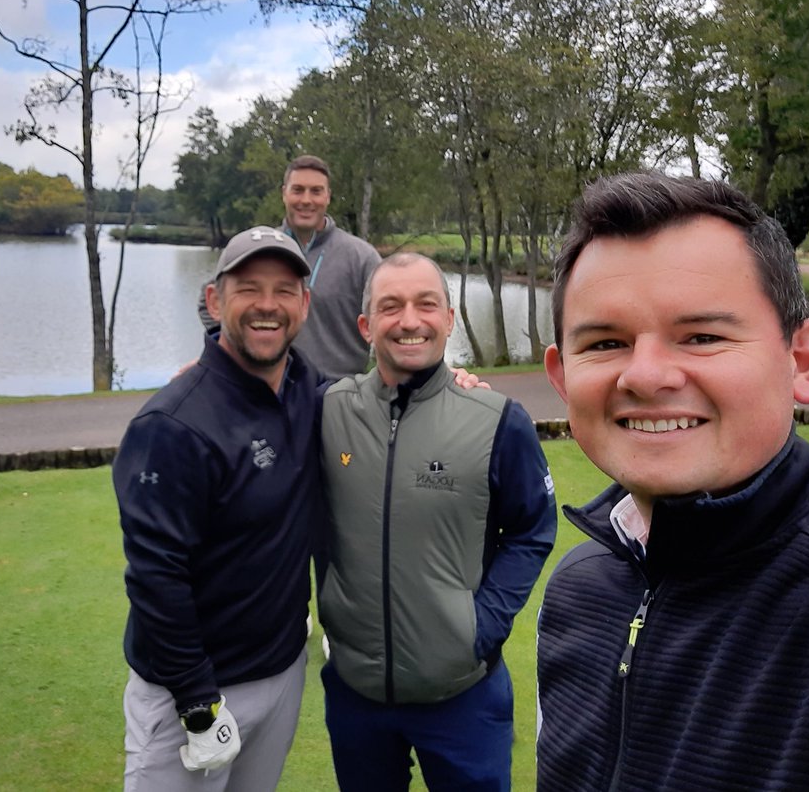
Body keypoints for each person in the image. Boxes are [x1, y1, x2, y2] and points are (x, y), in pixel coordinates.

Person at [537, 173, 809, 790]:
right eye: (606, 342)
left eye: (702, 336)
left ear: (802, 361)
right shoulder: (575, 592)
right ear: (564, 377)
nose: (646, 375)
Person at [318, 252, 558, 791]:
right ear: (365, 326)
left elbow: (532, 530)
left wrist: (482, 628)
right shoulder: (328, 412)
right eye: (390, 306)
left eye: (426, 304)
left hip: (463, 696)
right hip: (356, 695)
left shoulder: (497, 420)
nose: (409, 320)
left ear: (449, 319)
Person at [114, 226, 322, 791]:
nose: (267, 306)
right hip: (190, 697)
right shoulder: (173, 425)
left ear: (304, 304)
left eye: (284, 290)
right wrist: (199, 704)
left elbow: (382, 402)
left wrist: (447, 381)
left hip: (280, 673)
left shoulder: (310, 390)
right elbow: (157, 577)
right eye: (248, 288)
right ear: (214, 300)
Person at [200, 154, 381, 379]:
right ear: (284, 193)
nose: (306, 200)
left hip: (335, 394)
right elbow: (207, 302)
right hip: (266, 390)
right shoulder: (255, 249)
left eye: (316, 191)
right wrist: (229, 353)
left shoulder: (361, 256)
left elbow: (386, 318)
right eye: (298, 190)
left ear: (328, 197)